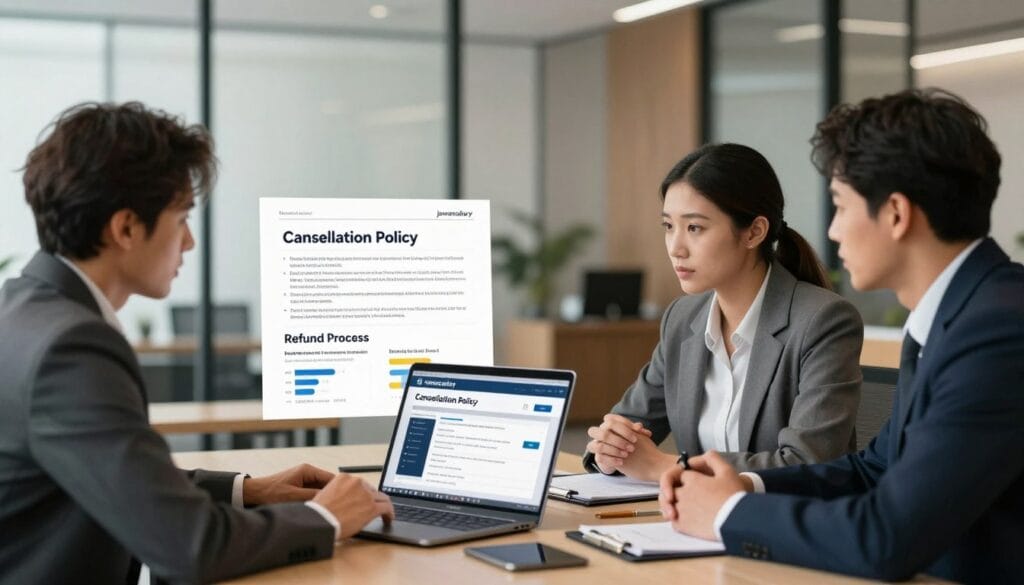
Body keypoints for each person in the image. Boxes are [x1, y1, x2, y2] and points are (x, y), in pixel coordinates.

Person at [0, 102, 394, 585]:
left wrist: (249, 491)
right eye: (181, 218)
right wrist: (327, 519)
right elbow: (190, 547)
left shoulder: (24, 308)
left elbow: (107, 475)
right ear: (125, 228)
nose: (188, 242)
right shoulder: (72, 348)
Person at [659, 89, 1024, 584]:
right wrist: (744, 485)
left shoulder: (998, 330)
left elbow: (887, 537)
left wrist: (727, 516)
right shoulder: (957, 315)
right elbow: (874, 469)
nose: (831, 232)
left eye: (840, 206)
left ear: (895, 213)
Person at [584, 143, 864, 481]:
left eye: (695, 228)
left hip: (783, 524)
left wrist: (666, 467)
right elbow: (624, 428)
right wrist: (608, 450)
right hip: (690, 523)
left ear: (754, 232)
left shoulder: (823, 320)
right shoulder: (682, 319)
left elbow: (809, 463)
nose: (676, 248)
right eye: (669, 226)